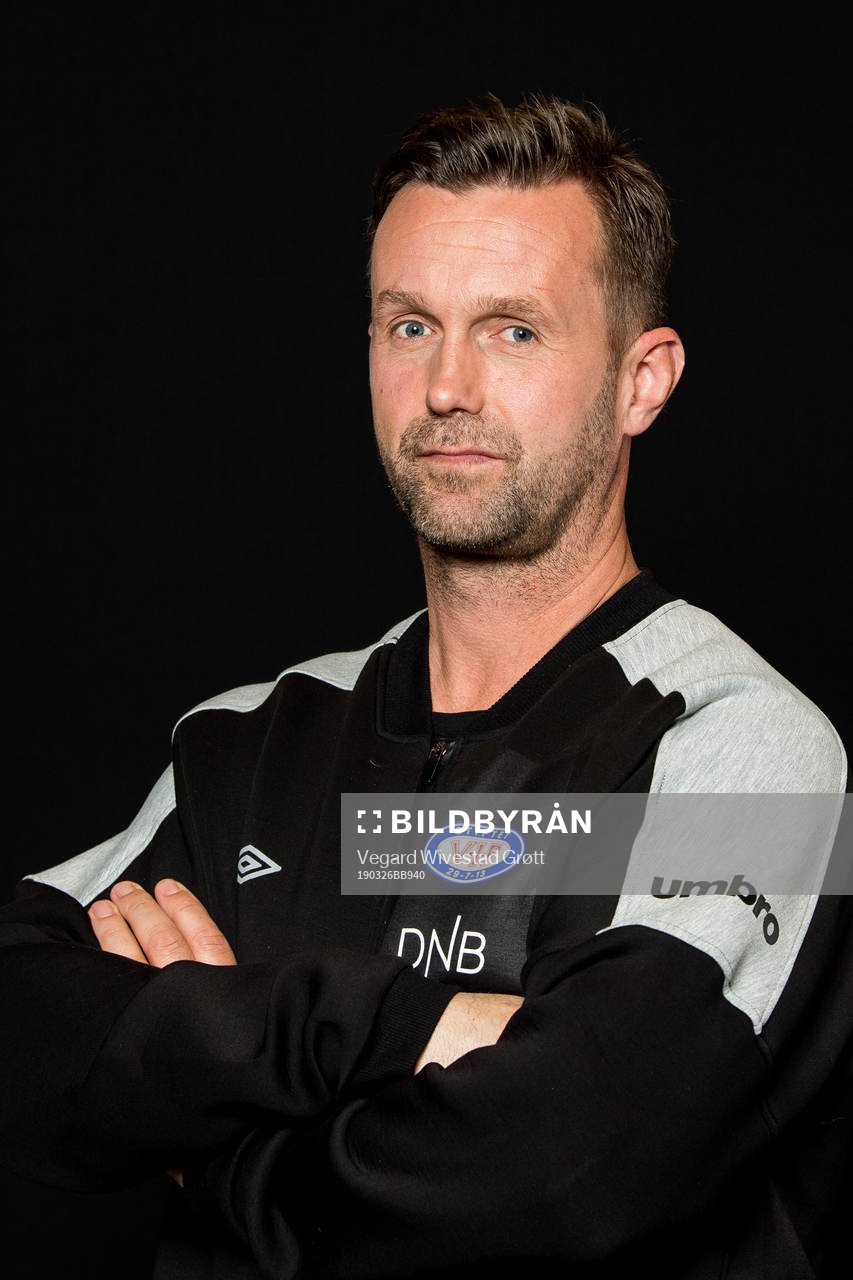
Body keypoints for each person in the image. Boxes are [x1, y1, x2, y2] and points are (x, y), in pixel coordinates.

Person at [0, 94, 849, 1279]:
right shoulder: (254, 741)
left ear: (640, 381)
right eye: (408, 327)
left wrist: (214, 1121)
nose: (447, 386)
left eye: (513, 331)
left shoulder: (742, 743)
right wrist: (396, 1028)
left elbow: (564, 1167)